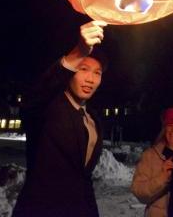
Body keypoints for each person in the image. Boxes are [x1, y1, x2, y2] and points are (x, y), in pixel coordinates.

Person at [12, 20, 108, 217]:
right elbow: (36, 95)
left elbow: (83, 177)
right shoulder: (47, 107)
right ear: (71, 73)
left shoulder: (93, 119)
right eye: (83, 69)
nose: (90, 79)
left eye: (97, 73)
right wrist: (78, 53)